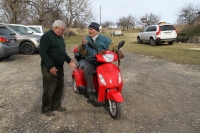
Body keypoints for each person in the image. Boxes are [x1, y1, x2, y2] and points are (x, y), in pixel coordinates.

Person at [78, 22, 124, 101]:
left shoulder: (105, 39)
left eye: (91, 29)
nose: (89, 31)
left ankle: (111, 87)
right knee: (87, 70)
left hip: (103, 62)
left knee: (113, 70)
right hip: (90, 61)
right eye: (89, 29)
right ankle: (91, 91)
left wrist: (118, 51)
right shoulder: (86, 40)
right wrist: (82, 45)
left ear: (96, 30)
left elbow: (115, 47)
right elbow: (81, 52)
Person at [40, 20, 76, 116]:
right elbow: (43, 52)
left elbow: (62, 52)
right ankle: (46, 108)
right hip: (49, 67)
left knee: (59, 86)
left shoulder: (60, 38)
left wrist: (69, 60)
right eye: (62, 30)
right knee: (50, 87)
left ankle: (56, 105)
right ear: (56, 28)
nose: (63, 32)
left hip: (59, 66)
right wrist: (50, 66)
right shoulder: (47, 36)